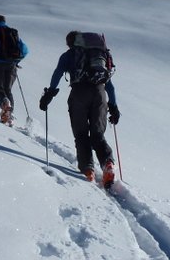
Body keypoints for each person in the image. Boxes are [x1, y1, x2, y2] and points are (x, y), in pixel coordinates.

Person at [39, 31, 121, 187]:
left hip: (78, 94)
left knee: (81, 134)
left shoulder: (69, 55)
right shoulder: (99, 56)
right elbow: (109, 85)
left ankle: (88, 170)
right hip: (99, 93)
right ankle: (108, 163)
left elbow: (57, 73)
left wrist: (49, 94)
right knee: (98, 134)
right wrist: (114, 107)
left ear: (71, 43)